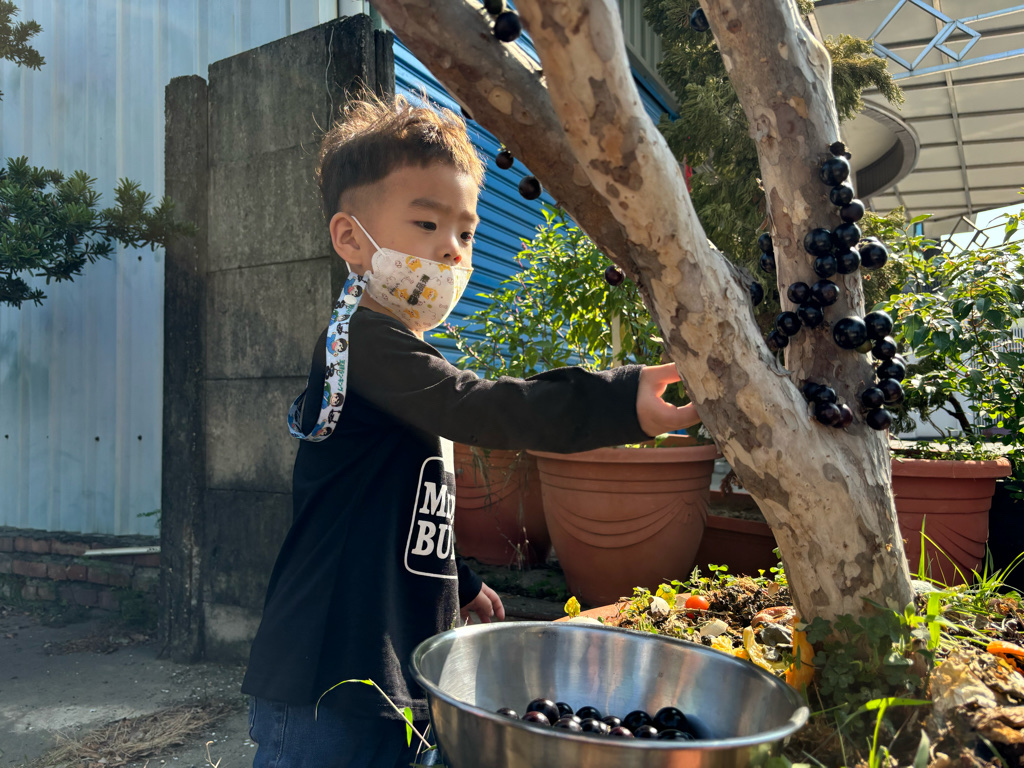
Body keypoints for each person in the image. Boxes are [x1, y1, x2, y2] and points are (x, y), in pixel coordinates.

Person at [240, 91, 701, 768]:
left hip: (389, 672)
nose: (451, 251)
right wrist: (617, 400)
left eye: (466, 232)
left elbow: (393, 505)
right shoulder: (362, 342)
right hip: (328, 674)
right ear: (350, 238)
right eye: (427, 223)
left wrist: (457, 577)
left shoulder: (402, 359)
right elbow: (479, 406)